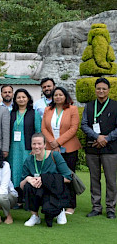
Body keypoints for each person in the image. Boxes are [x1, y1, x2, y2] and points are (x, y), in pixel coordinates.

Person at [81, 77, 117, 219]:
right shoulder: (89, 106)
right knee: (94, 178)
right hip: (93, 148)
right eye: (98, 88)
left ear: (108, 90)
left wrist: (106, 139)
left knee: (111, 179)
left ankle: (110, 208)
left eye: (104, 88)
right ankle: (96, 206)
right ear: (95, 90)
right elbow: (84, 124)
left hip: (111, 149)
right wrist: (97, 137)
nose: (101, 91)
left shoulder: (115, 105)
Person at [41, 86, 81, 214]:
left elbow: (74, 129)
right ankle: (55, 202)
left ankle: (70, 205)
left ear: (65, 96)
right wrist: (52, 143)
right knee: (52, 176)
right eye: (55, 95)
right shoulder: (48, 109)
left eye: (60, 95)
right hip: (51, 148)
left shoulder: (72, 109)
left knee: (68, 176)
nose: (58, 97)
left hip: (68, 148)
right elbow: (44, 128)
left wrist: (58, 142)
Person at [20, 133, 72, 227]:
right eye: (34, 144)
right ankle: (35, 216)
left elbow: (68, 178)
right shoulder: (29, 160)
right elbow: (21, 185)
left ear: (44, 145)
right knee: (28, 186)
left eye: (39, 144)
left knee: (50, 212)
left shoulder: (55, 155)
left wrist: (45, 179)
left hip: (54, 190)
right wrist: (28, 178)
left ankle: (60, 210)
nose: (36, 147)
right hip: (38, 190)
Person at [8, 89, 41, 202]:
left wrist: (35, 147)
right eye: (18, 97)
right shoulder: (11, 113)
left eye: (23, 97)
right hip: (13, 148)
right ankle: (16, 197)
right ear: (15, 100)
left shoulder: (34, 113)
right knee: (14, 171)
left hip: (27, 148)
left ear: (28, 99)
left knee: (26, 170)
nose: (21, 99)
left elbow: (38, 131)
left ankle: (27, 197)